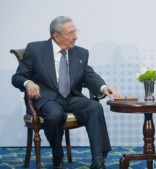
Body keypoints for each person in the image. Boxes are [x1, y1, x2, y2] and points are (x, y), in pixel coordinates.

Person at [12, 16, 121, 169]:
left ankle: (98, 160)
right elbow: (17, 77)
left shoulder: (80, 52)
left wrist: (103, 87)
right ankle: (58, 156)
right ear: (56, 36)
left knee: (94, 107)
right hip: (47, 98)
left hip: (71, 97)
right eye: (70, 33)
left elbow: (88, 74)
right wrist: (28, 83)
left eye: (75, 31)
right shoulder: (36, 49)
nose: (75, 36)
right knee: (55, 115)